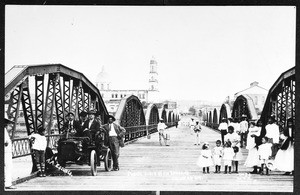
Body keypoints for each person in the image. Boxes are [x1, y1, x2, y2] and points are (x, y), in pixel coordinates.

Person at [4, 117, 16, 189]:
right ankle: (8, 184)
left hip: (6, 151)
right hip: (6, 152)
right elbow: (6, 142)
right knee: (8, 167)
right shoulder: (4, 131)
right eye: (10, 125)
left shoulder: (5, 130)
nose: (11, 127)